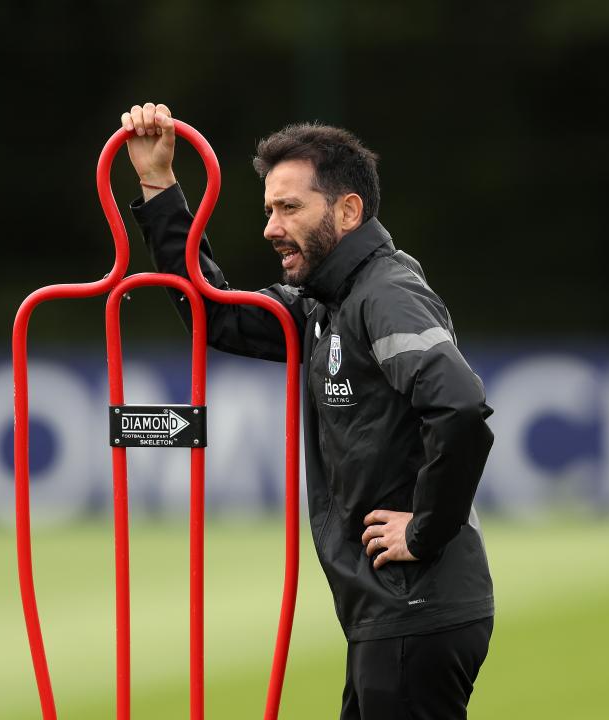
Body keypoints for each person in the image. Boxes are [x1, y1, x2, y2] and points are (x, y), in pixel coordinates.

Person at [120, 102, 495, 719]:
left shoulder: (385, 293)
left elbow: (459, 407)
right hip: (391, 613)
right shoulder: (323, 303)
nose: (271, 227)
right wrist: (159, 185)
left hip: (414, 609)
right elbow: (217, 315)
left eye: (289, 208)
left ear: (347, 211)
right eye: (269, 209)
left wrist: (424, 529)